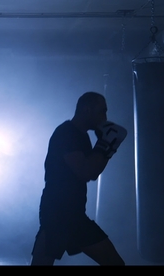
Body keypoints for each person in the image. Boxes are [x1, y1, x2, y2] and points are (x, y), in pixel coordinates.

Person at [30, 91, 127, 266]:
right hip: (60, 212)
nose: (105, 117)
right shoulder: (67, 133)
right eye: (102, 111)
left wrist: (107, 149)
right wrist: (105, 145)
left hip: (70, 212)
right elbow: (85, 172)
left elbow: (93, 173)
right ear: (87, 109)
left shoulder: (81, 135)